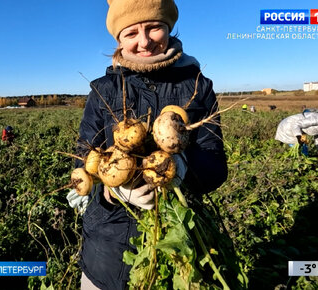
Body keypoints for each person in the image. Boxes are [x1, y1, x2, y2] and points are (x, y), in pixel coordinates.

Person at [66, 0, 228, 288]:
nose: (144, 42)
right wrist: (112, 191)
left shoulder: (198, 86)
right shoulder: (102, 89)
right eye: (130, 33)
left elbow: (216, 167)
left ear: (168, 27)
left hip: (183, 241)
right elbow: (82, 160)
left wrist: (181, 167)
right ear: (118, 39)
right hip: (107, 252)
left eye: (154, 28)